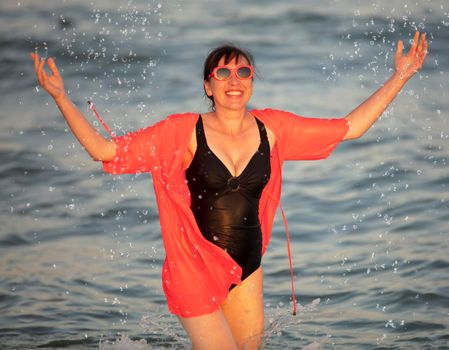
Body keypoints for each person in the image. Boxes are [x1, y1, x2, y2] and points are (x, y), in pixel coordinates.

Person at [31, 31, 428, 350]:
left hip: (247, 270)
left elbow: (350, 127)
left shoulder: (274, 129)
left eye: (243, 72)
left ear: (252, 81)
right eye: (222, 74)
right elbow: (104, 150)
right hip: (194, 272)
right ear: (208, 86)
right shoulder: (180, 132)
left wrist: (401, 76)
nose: (233, 81)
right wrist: (61, 97)